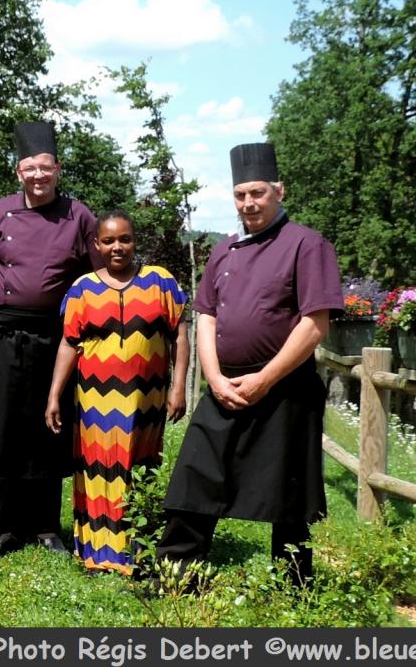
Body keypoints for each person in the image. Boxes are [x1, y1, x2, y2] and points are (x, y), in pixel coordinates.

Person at [156, 142, 343, 583]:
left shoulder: (306, 245)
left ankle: (293, 588)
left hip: (285, 389)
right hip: (224, 387)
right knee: (195, 473)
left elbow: (314, 324)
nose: (249, 203)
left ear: (280, 190)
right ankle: (174, 574)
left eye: (258, 192)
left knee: (289, 494)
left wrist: (265, 378)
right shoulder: (223, 250)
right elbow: (206, 316)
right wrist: (215, 378)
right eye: (240, 195)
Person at [0, 121, 99, 557]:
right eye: (30, 168)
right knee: (6, 426)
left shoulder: (79, 216)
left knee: (52, 425)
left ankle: (47, 525)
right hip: (5, 332)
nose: (38, 175)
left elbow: (95, 276)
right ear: (18, 172)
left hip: (57, 336)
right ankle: (9, 524)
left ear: (58, 169)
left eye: (45, 167)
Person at [45, 209, 189, 574]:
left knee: (142, 468)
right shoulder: (82, 288)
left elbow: (179, 335)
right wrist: (54, 395)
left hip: (147, 400)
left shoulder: (159, 282)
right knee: (98, 470)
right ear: (96, 245)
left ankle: (139, 549)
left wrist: (178, 387)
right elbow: (69, 343)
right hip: (94, 402)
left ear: (135, 241)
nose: (117, 247)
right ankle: (98, 553)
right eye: (108, 241)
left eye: (124, 239)